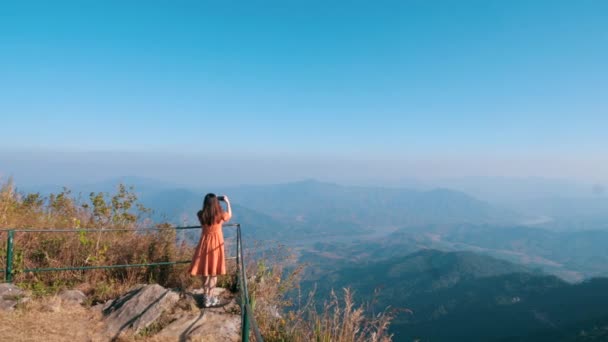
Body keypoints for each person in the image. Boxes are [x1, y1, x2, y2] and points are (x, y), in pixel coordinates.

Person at [188, 193, 232, 307]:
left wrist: (213, 200)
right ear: (216, 203)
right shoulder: (220, 214)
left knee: (205, 271)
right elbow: (229, 215)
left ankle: (206, 296)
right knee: (213, 272)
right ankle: (211, 297)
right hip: (216, 244)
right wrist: (227, 202)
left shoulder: (201, 214)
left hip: (204, 243)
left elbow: (206, 212)